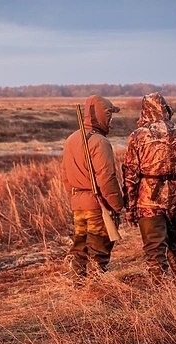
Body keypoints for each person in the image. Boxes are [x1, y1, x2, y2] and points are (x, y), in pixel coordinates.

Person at [122, 92, 176, 278]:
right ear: (166, 108)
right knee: (174, 243)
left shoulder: (137, 136)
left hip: (149, 199)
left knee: (154, 247)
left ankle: (162, 289)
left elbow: (130, 174)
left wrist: (130, 207)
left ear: (145, 110)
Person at [62, 95, 123, 284]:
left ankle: (78, 286)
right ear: (102, 115)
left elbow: (65, 176)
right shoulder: (99, 142)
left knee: (80, 248)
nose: (111, 121)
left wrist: (76, 199)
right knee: (99, 249)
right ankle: (95, 290)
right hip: (97, 205)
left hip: (78, 205)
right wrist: (117, 204)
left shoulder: (71, 140)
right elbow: (107, 178)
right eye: (110, 116)